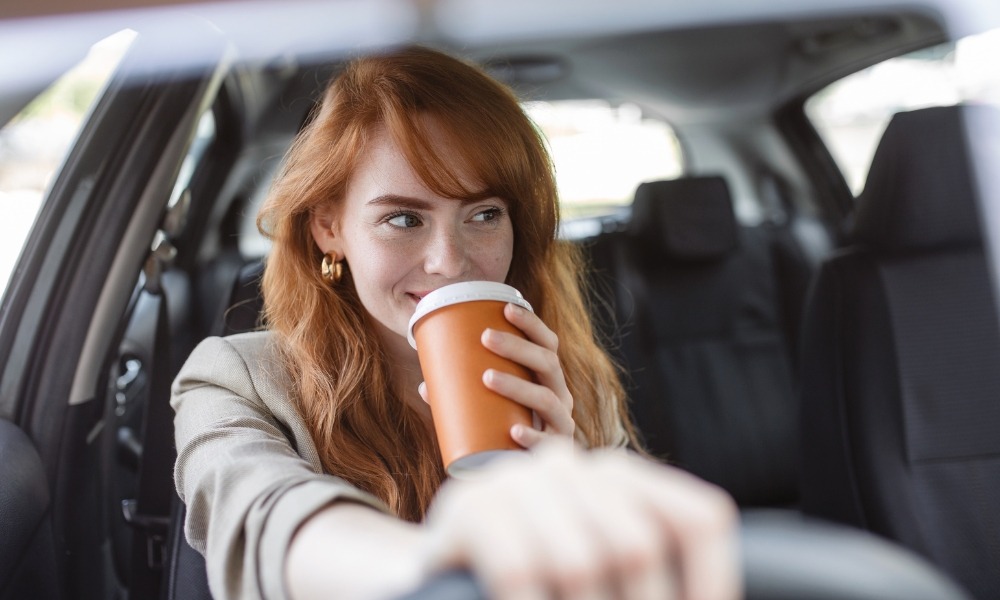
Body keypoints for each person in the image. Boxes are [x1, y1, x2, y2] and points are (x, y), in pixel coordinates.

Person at [171, 46, 740, 600]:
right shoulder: (234, 380)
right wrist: (442, 565)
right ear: (329, 228)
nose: (449, 259)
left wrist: (573, 467)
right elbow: (267, 520)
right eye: (402, 218)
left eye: (484, 214)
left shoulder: (565, 381)